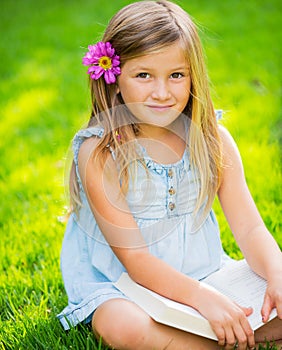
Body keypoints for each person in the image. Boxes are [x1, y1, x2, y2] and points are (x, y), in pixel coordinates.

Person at [57, 1, 282, 349]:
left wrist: (277, 274)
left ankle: (216, 336)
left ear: (193, 76)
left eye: (176, 75)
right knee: (122, 325)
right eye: (144, 75)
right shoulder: (101, 153)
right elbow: (136, 261)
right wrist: (204, 300)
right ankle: (230, 340)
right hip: (125, 287)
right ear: (115, 80)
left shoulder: (212, 140)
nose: (162, 93)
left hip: (206, 277)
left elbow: (251, 229)